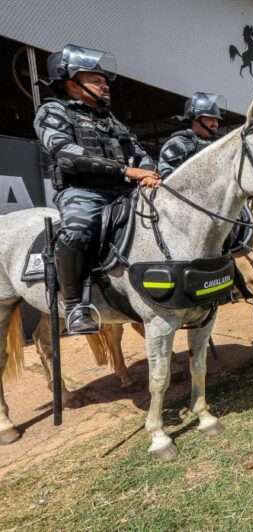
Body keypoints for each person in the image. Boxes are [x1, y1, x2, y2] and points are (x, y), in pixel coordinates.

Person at [35, 44, 159, 334]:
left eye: (104, 81)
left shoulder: (110, 119)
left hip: (123, 191)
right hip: (82, 191)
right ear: (72, 83)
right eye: (96, 80)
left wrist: (152, 173)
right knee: (77, 229)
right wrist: (126, 171)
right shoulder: (53, 111)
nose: (105, 85)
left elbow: (139, 152)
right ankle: (75, 306)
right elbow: (65, 153)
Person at [158, 92, 225, 178]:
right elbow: (169, 180)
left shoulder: (214, 144)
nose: (216, 124)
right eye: (210, 118)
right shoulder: (178, 144)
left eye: (217, 120)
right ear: (195, 119)